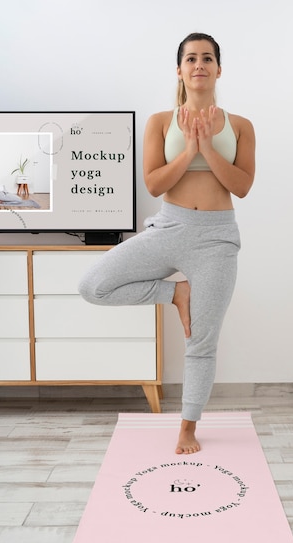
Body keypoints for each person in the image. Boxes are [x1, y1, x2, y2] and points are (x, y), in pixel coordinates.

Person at [78, 33, 256, 454]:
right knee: (93, 284)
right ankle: (175, 293)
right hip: (169, 227)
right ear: (179, 69)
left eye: (207, 58)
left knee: (202, 341)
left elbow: (243, 186)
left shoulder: (242, 126)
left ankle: (188, 428)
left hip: (217, 237)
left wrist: (208, 149)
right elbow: (155, 183)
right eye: (191, 58)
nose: (199, 65)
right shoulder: (160, 121)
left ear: (218, 68)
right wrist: (188, 150)